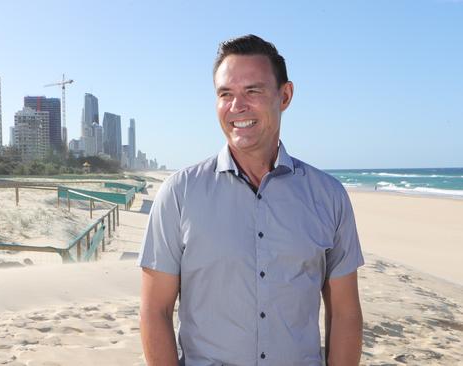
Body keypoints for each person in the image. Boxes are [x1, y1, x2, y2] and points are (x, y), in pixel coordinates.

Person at [137, 34, 364, 366]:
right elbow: (154, 311)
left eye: (252, 91)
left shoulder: (329, 196)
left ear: (284, 96)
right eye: (225, 94)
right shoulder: (179, 193)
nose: (236, 106)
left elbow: (345, 313)